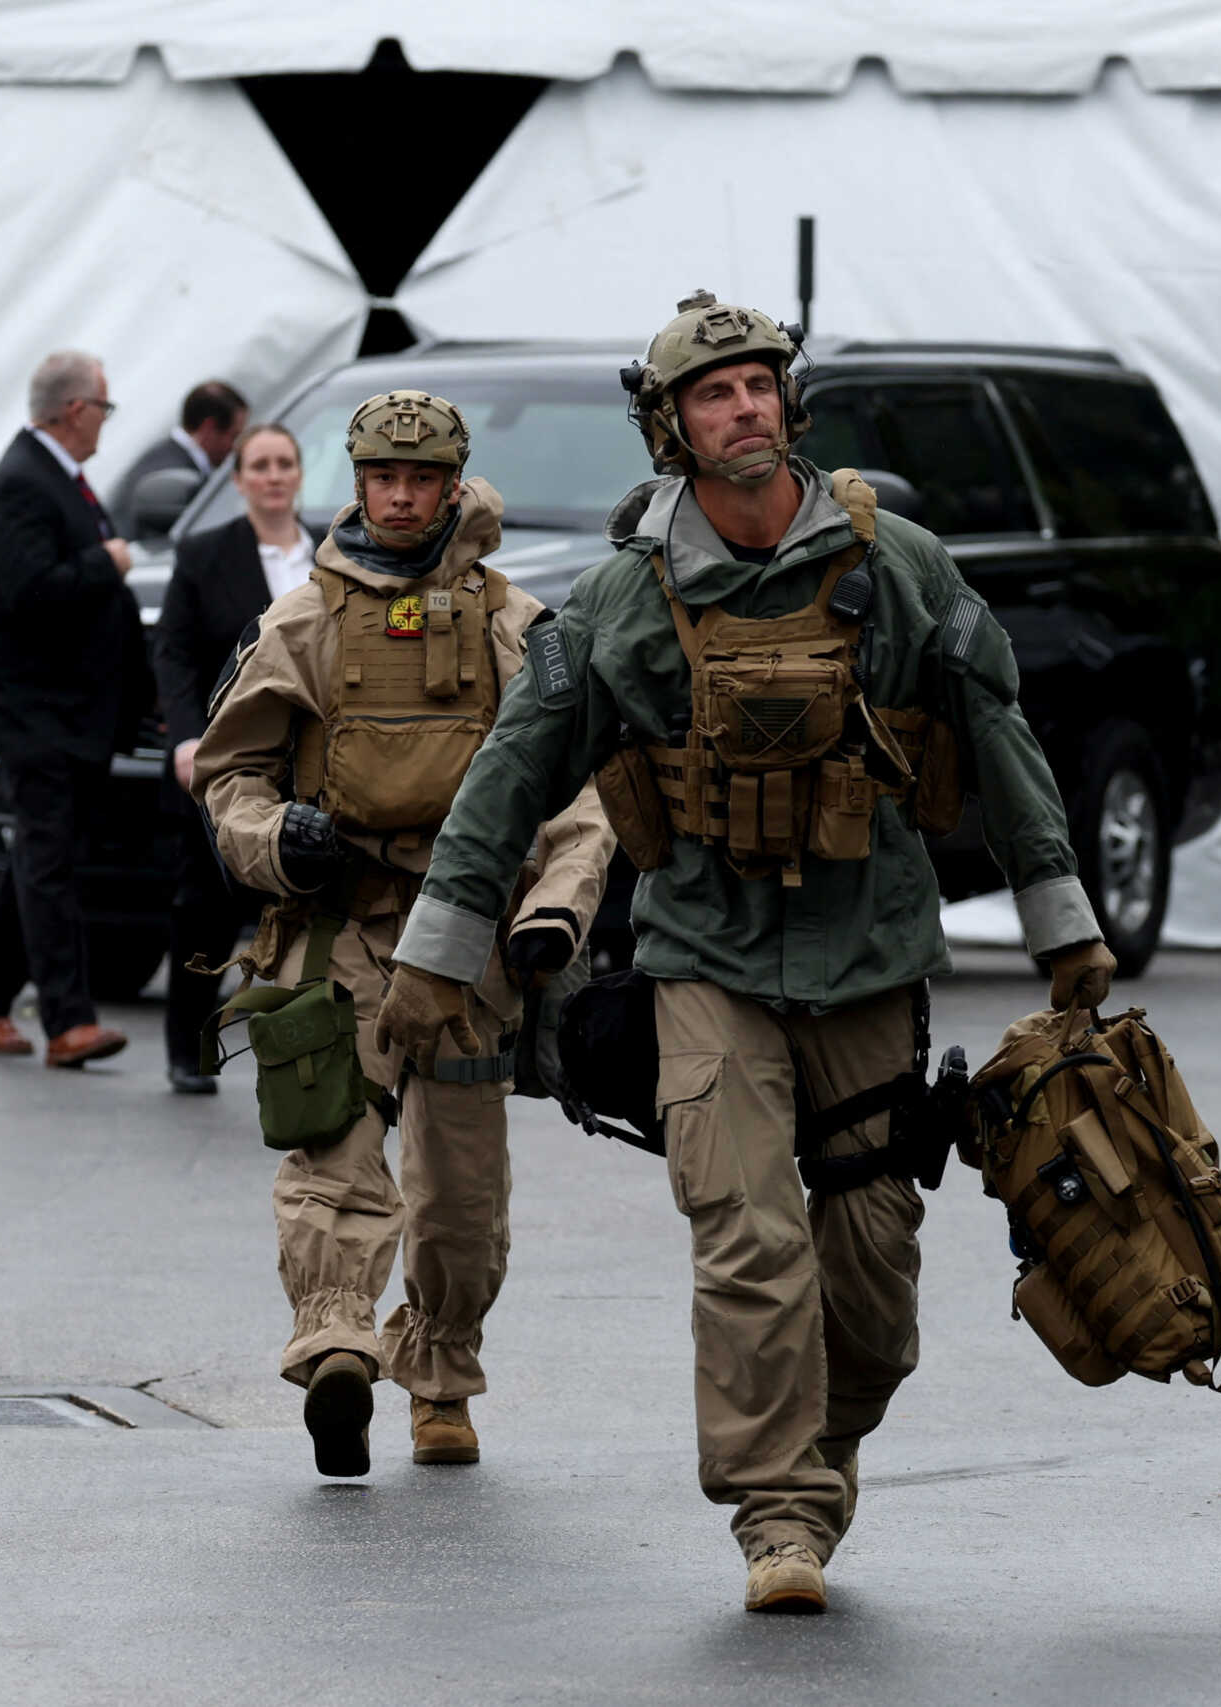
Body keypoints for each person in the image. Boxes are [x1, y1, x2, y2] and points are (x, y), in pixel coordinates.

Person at [375, 293, 1116, 1613]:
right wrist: (436, 950)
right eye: (715, 393)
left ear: (792, 401)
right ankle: (777, 1511)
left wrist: (1062, 917)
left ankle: (821, 1450)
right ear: (671, 426)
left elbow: (995, 728)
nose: (746, 407)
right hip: (703, 958)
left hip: (868, 956)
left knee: (873, 1273)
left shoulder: (899, 568)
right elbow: (512, 769)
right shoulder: (618, 599)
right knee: (749, 1236)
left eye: (762, 384)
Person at [195, 390, 615, 1476]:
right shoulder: (302, 624)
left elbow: (583, 795)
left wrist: (552, 916)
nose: (399, 495)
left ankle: (436, 1370)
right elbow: (228, 771)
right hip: (335, 926)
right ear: (358, 478)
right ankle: (336, 1343)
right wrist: (276, 840)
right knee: (331, 1148)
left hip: (470, 938)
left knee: (461, 1198)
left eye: (420, 479)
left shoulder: (515, 625)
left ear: (449, 484)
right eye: (381, 475)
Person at [0, 349, 152, 1068]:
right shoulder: (22, 482)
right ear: (76, 410)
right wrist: (110, 561)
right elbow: (33, 591)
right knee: (48, 859)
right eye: (104, 407)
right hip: (35, 713)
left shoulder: (60, 479)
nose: (106, 421)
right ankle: (69, 1020)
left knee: (42, 856)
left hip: (73, 712)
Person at [152, 423, 318, 1093]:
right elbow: (175, 654)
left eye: (284, 463)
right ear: (240, 478)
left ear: (299, 474)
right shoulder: (202, 555)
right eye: (260, 464)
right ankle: (189, 1045)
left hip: (310, 759)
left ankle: (315, 1052)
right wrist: (188, 740)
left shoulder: (333, 552)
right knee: (205, 907)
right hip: (226, 758)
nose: (273, 475)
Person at [111, 380, 248, 528]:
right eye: (234, 436)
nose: (236, 449)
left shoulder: (166, 457)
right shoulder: (172, 477)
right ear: (209, 428)